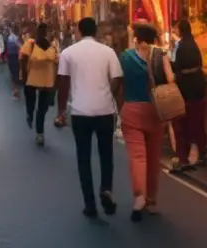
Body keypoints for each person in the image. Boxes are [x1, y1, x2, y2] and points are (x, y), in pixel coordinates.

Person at [55, 17, 122, 219]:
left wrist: (60, 112)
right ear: (96, 32)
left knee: (83, 158)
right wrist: (109, 95)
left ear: (78, 31)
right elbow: (118, 78)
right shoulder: (108, 52)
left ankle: (90, 204)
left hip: (80, 112)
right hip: (104, 110)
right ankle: (106, 189)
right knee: (106, 154)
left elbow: (63, 84)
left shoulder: (68, 53)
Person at [120, 21, 176, 220]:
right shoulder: (161, 56)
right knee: (153, 158)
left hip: (132, 109)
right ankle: (152, 200)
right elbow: (171, 79)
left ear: (137, 38)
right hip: (156, 110)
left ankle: (139, 197)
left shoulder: (126, 57)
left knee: (137, 156)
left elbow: (119, 80)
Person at [170, 19, 207, 170]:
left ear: (180, 29)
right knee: (197, 124)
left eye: (176, 28)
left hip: (188, 89)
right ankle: (201, 154)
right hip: (198, 87)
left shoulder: (183, 47)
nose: (174, 31)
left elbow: (180, 68)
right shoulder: (192, 44)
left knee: (183, 125)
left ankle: (183, 158)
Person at [20, 23, 58, 146]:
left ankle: (39, 132)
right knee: (34, 105)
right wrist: (24, 77)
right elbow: (23, 59)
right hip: (33, 80)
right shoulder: (30, 44)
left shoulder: (53, 45)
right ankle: (31, 116)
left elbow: (57, 61)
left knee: (42, 109)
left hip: (46, 81)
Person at [4, 26, 22, 100]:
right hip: (14, 57)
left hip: (10, 57)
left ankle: (14, 90)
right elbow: (20, 48)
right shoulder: (15, 39)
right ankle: (16, 92)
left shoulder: (10, 37)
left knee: (13, 74)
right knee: (16, 74)